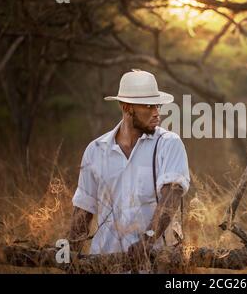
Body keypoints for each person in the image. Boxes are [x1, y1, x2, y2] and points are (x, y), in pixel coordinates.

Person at [68, 69, 190, 272]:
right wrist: (67, 254)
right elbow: (83, 209)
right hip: (104, 264)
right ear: (127, 107)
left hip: (155, 265)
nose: (156, 113)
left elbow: (172, 196)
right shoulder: (96, 150)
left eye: (157, 105)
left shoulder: (169, 143)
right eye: (148, 106)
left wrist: (148, 239)